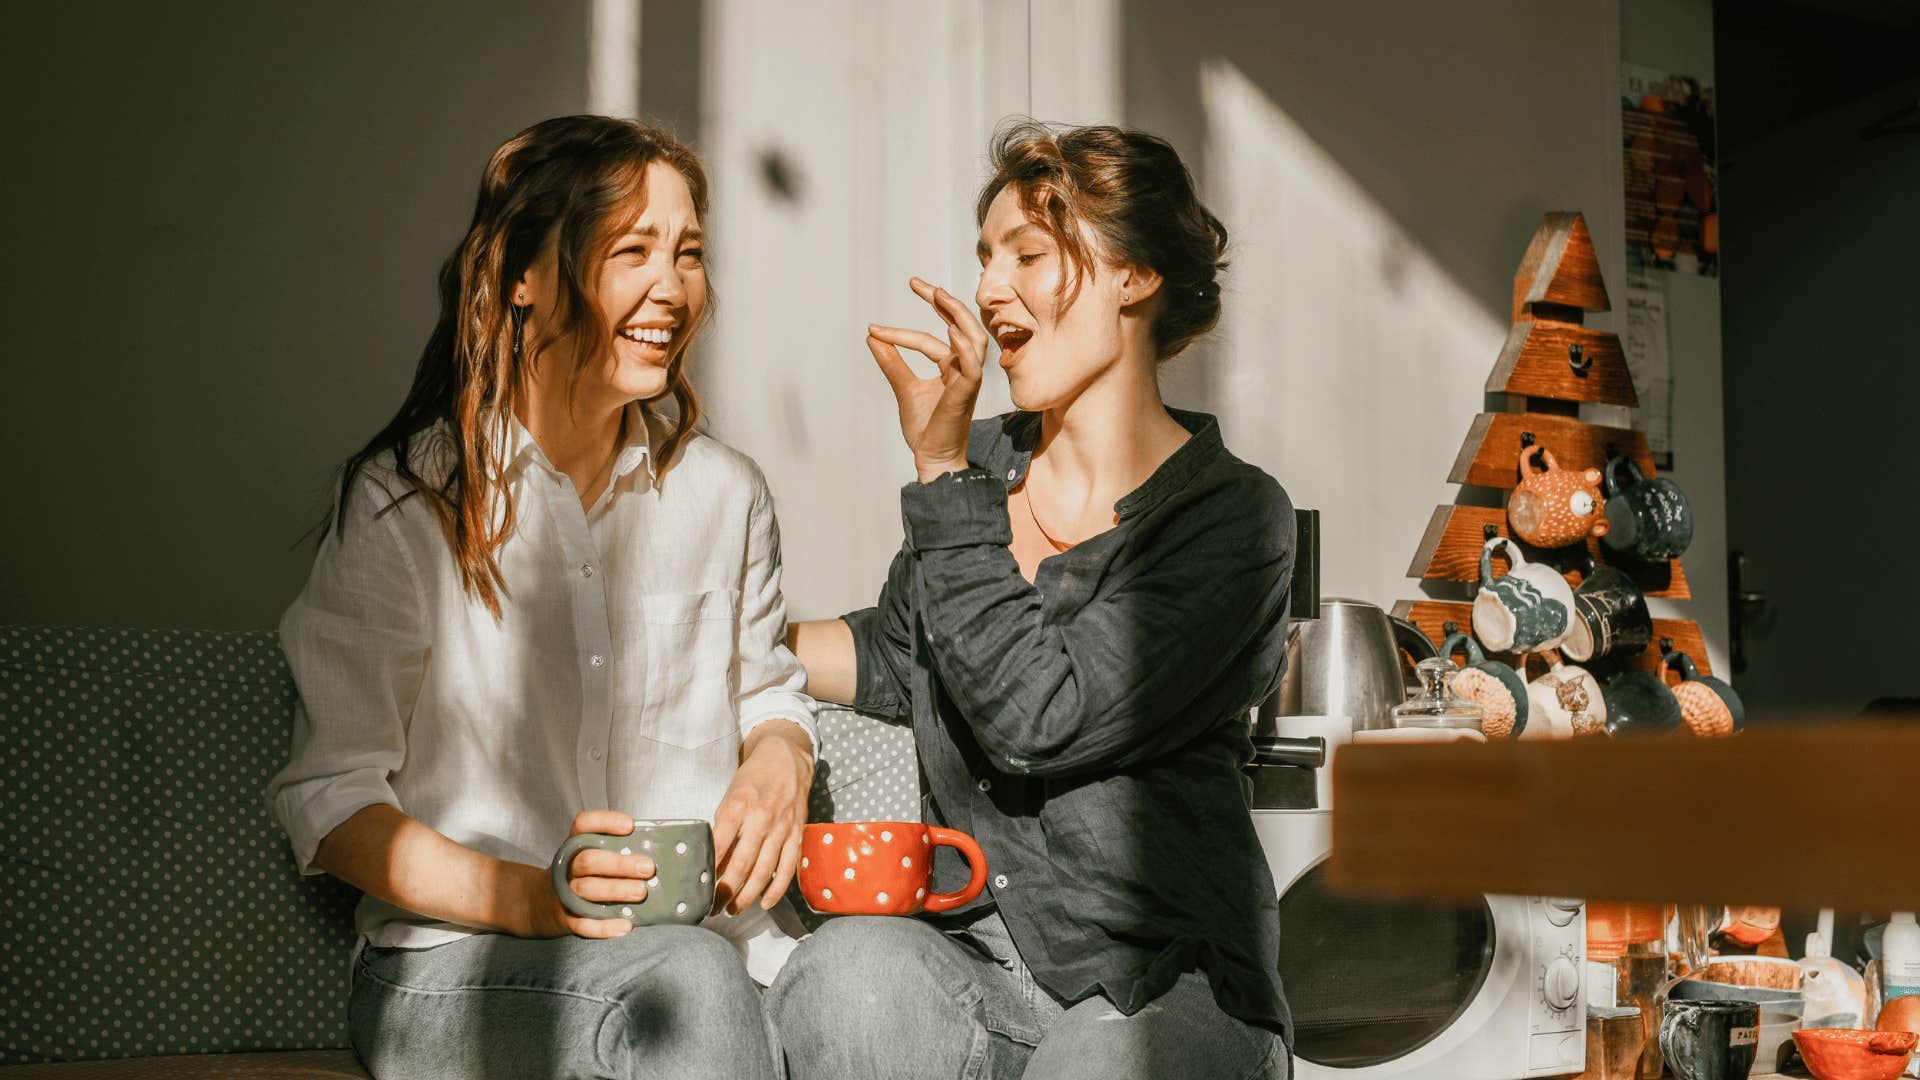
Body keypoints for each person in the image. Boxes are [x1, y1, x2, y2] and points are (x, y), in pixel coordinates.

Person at [266, 115, 815, 1080]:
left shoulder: (727, 495)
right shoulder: (407, 502)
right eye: (632, 249)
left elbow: (768, 693)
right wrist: (532, 897)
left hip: (713, 957)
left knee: (857, 987)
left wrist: (781, 758)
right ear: (522, 274)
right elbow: (332, 797)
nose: (673, 286)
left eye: (687, 253)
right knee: (687, 993)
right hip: (456, 965)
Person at [769, 121, 1295, 1079]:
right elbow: (897, 656)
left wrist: (936, 469)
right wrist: (715, 632)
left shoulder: (1235, 519)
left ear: (1134, 275)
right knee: (844, 977)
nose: (986, 289)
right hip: (977, 963)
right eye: (983, 258)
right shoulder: (986, 472)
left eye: (1027, 255)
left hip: (1159, 986)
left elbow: (1037, 718)